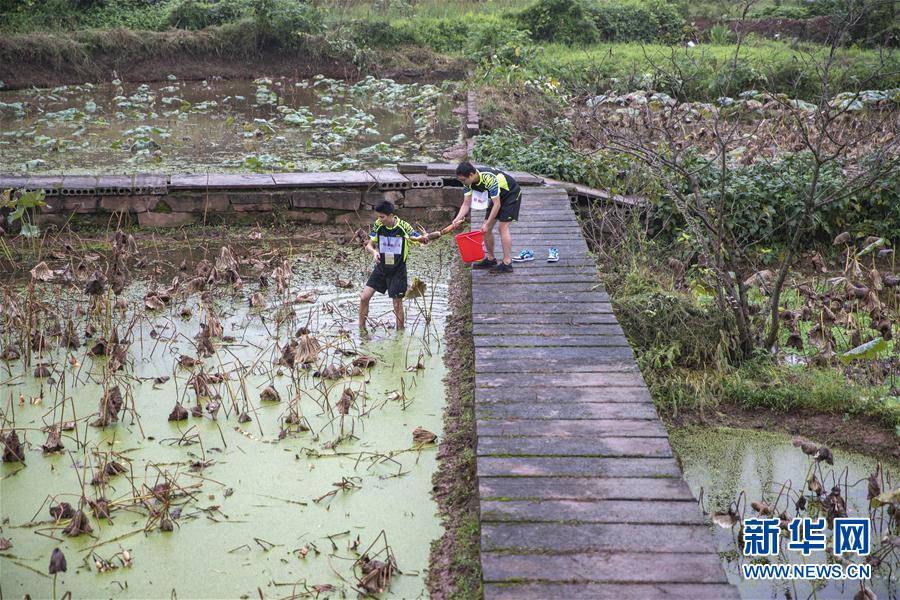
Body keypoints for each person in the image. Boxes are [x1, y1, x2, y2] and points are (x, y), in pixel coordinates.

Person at [359, 200, 430, 331]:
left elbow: (419, 239)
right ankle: (362, 330)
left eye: (382, 217)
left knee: (397, 304)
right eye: (378, 217)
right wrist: (374, 252)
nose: (379, 220)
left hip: (398, 270)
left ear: (391, 215)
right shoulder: (378, 225)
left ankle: (400, 334)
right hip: (381, 267)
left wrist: (424, 238)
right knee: (364, 297)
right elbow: (369, 245)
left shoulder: (404, 226)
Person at [452, 162, 521, 274]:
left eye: (463, 180)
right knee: (486, 230)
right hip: (496, 198)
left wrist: (487, 223)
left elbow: (497, 204)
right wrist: (457, 218)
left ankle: (507, 263)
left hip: (511, 194)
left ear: (471, 175)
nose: (462, 182)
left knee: (502, 228)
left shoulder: (488, 178)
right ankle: (491, 259)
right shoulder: (468, 183)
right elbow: (466, 204)